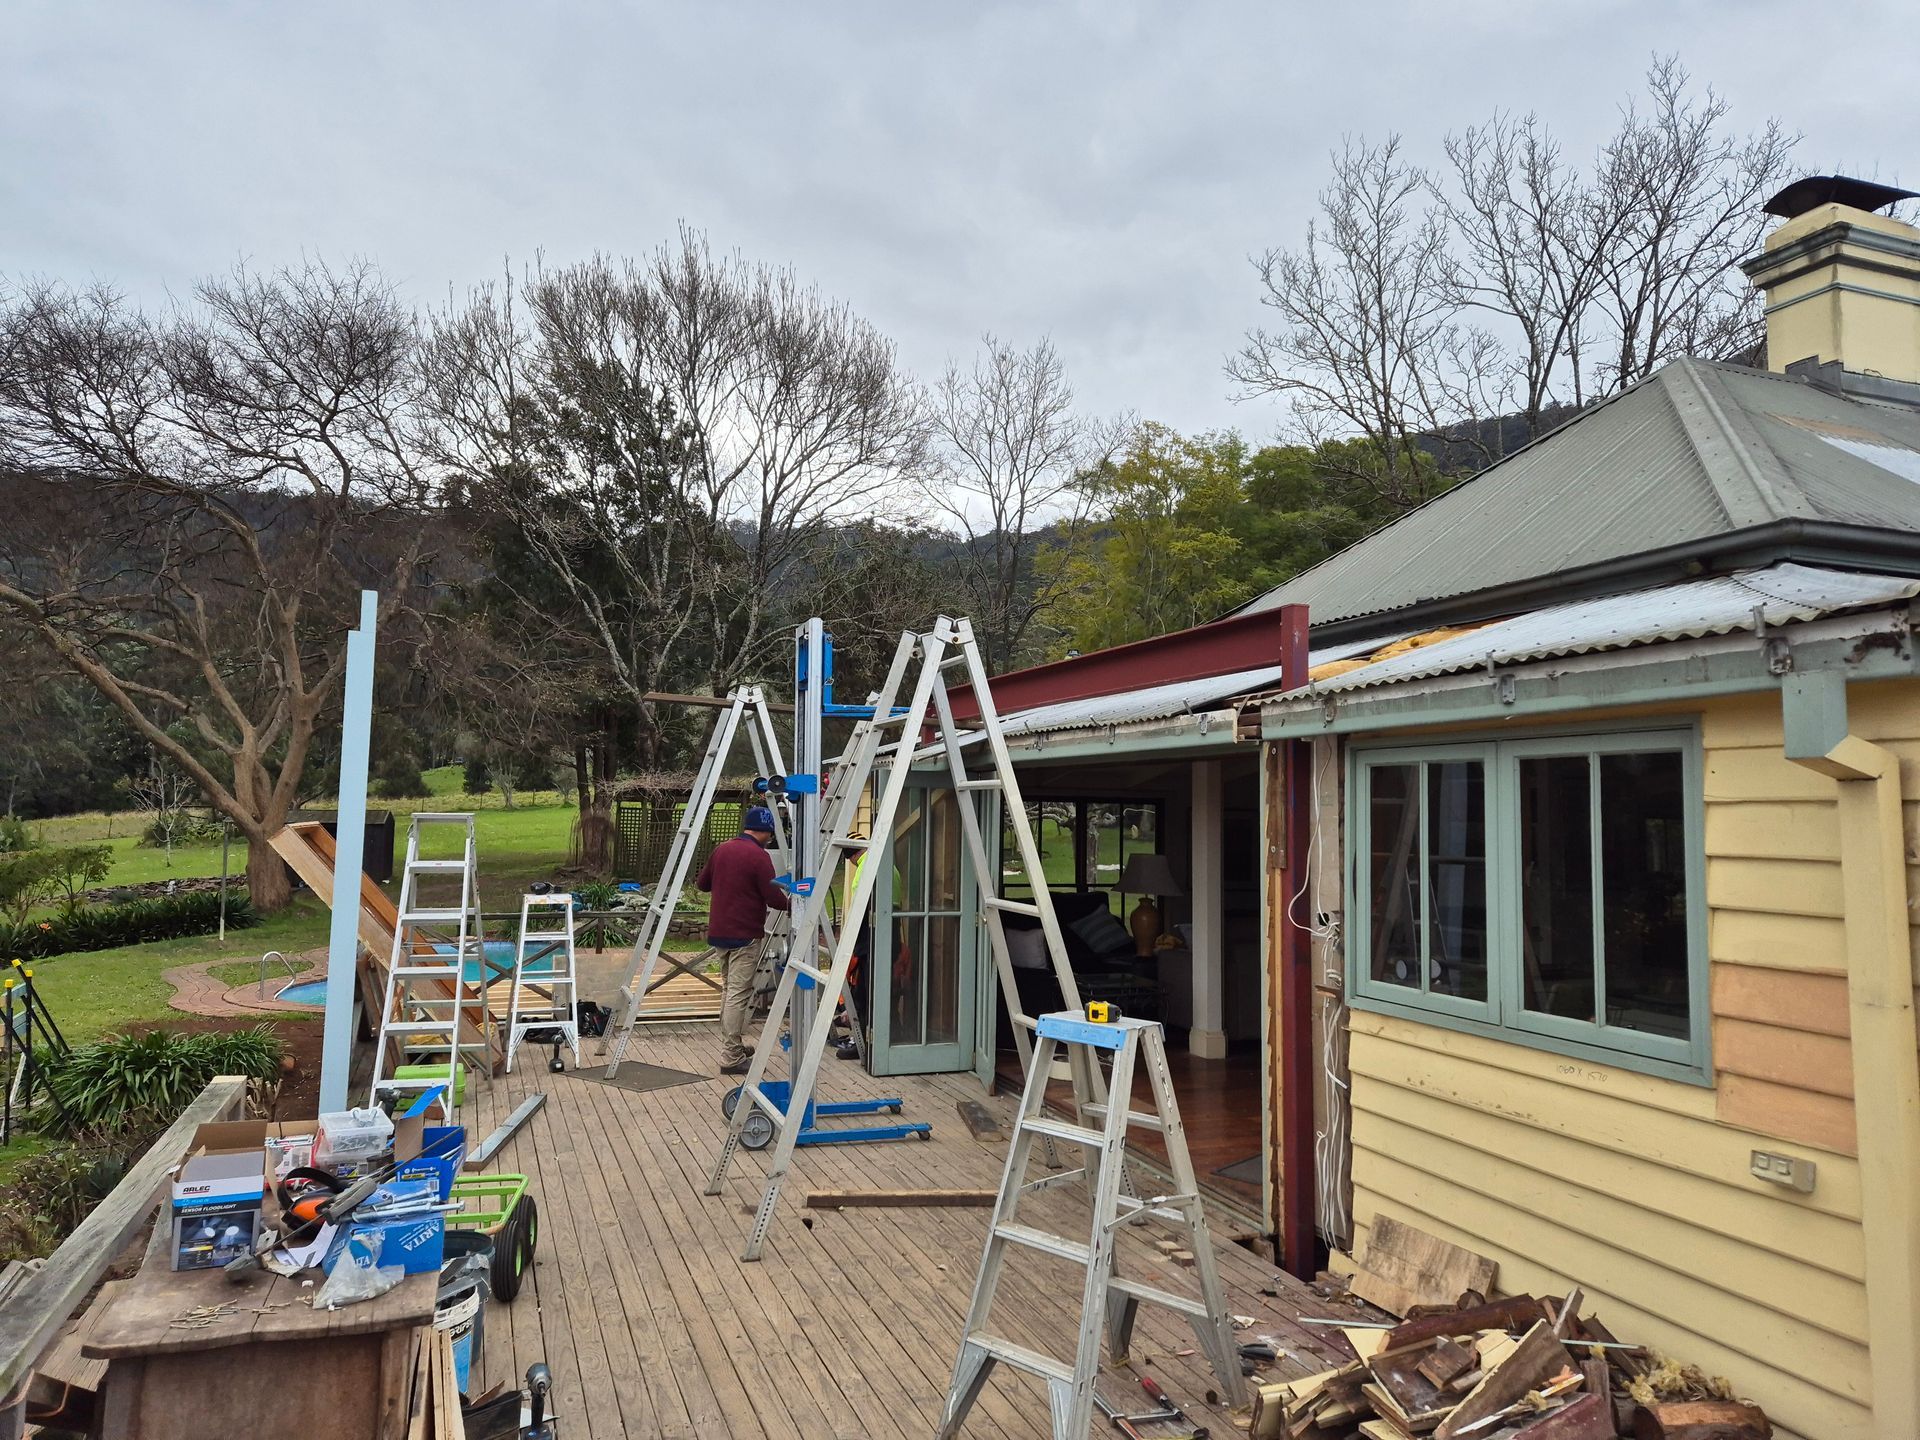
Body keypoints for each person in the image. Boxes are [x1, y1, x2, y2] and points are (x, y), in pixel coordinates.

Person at [696, 806, 791, 1074]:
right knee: (738, 994)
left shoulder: (722, 849)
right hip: (745, 934)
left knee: (728, 990)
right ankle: (731, 1056)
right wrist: (794, 903)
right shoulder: (758, 856)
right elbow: (773, 898)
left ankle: (732, 1044)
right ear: (766, 831)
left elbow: (702, 884)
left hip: (719, 932)